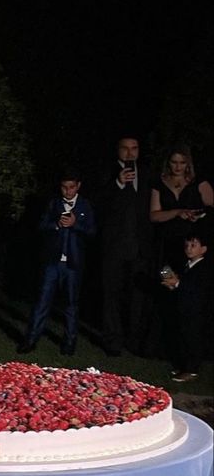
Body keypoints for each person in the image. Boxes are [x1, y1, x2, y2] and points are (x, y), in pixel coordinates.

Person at [17, 168, 96, 356]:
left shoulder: (85, 206)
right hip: (53, 263)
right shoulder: (53, 204)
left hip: (74, 264)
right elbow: (42, 226)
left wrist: (75, 224)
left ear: (78, 187)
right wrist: (57, 225)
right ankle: (30, 340)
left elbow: (92, 231)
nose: (67, 191)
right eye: (64, 187)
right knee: (42, 301)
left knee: (71, 304)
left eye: (71, 187)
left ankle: (69, 343)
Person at [96, 135, 154, 357]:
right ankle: (112, 341)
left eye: (134, 148)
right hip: (114, 247)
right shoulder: (107, 173)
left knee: (137, 296)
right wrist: (118, 183)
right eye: (125, 149)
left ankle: (134, 341)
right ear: (118, 150)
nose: (130, 153)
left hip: (139, 247)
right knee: (111, 294)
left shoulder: (147, 174)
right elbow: (99, 203)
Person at [150, 143, 213, 274]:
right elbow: (154, 215)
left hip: (192, 243)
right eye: (174, 162)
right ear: (168, 162)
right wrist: (177, 212)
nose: (178, 167)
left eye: (182, 163)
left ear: (188, 163)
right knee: (166, 279)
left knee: (191, 281)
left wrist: (199, 215)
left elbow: (211, 208)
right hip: (166, 243)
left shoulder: (199, 182)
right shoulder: (159, 183)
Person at [160, 230, 212, 382]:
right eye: (187, 245)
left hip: (196, 310)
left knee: (193, 339)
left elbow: (197, 289)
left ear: (203, 249)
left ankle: (192, 369)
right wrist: (175, 285)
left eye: (193, 245)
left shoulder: (204, 268)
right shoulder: (188, 265)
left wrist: (177, 283)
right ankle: (183, 366)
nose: (189, 248)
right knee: (183, 337)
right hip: (185, 308)